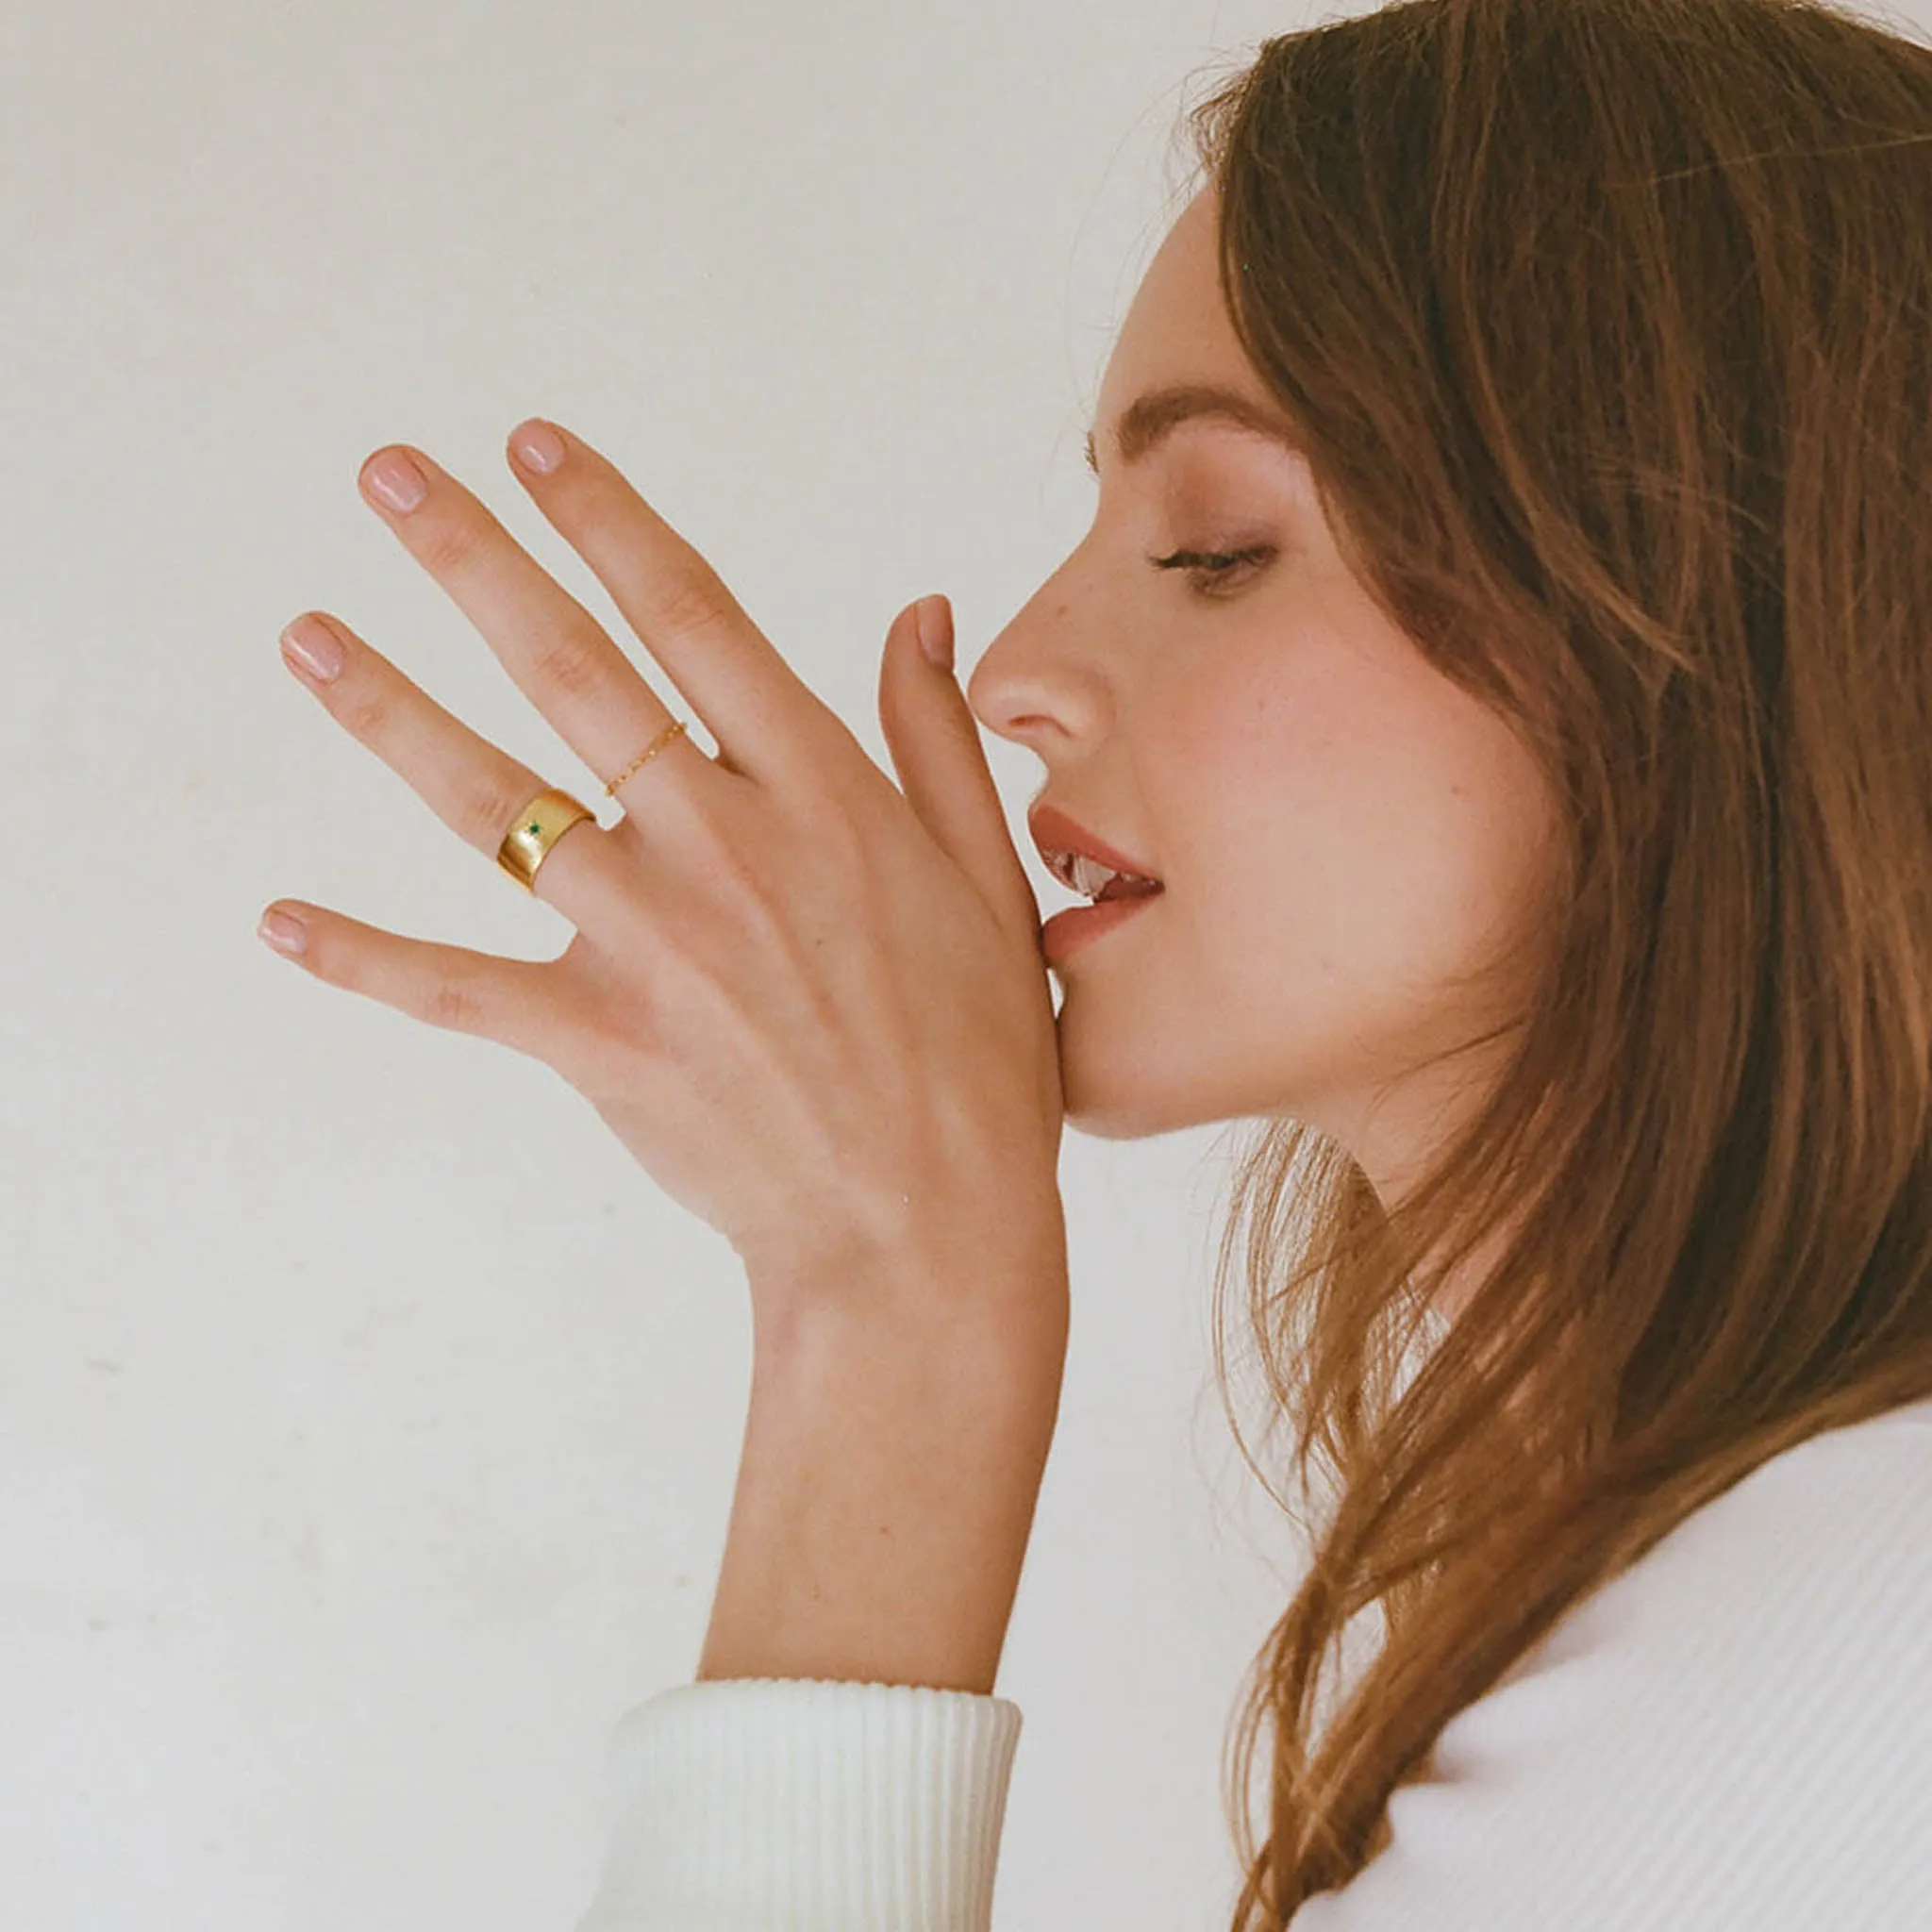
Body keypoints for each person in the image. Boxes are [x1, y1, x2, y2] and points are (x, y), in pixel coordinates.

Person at [258, 0, 1932, 1924]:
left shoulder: (1850, 1625)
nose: (1023, 674)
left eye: (1218, 543)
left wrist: (890, 1307)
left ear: (1713, 621)